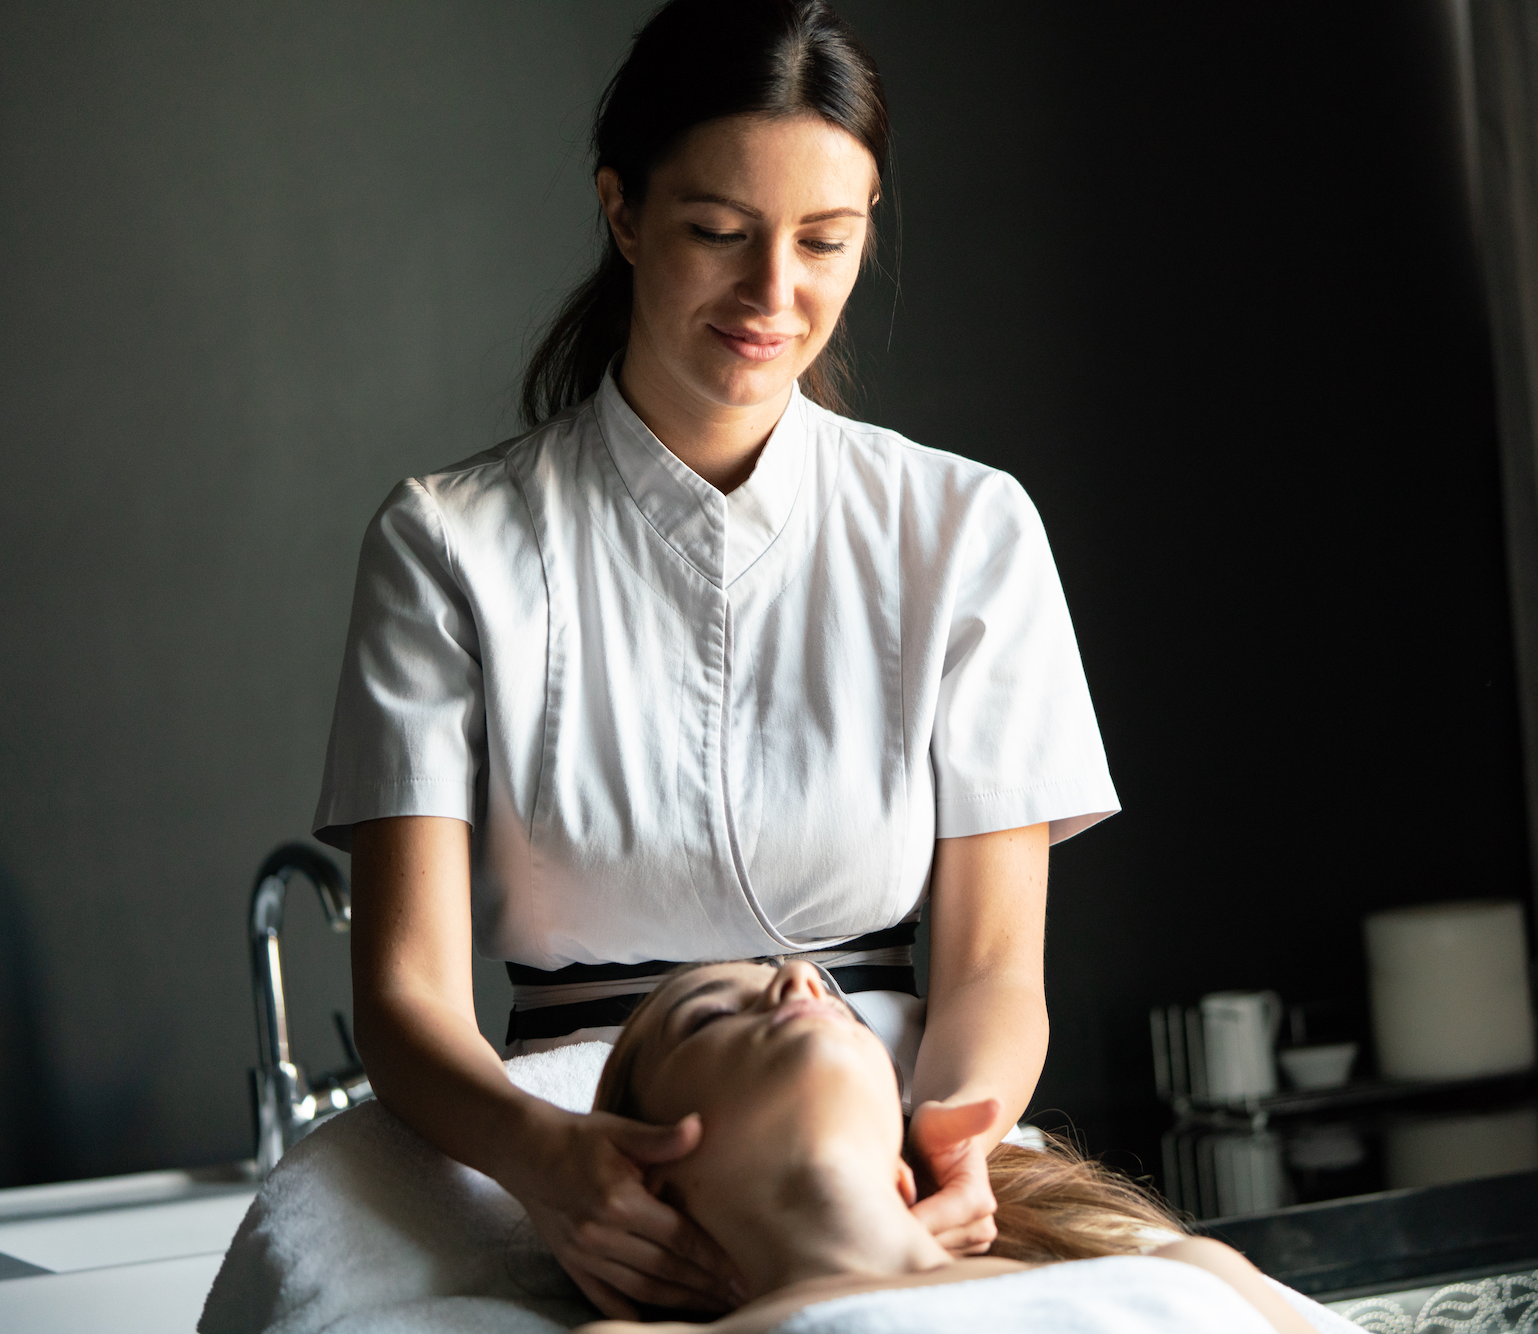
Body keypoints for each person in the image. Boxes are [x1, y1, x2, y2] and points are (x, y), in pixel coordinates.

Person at [313, 0, 1115, 1319]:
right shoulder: (446, 545)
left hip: (889, 1139)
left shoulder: (968, 530)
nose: (773, 296)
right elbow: (406, 997)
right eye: (719, 233)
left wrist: (947, 1141)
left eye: (826, 241)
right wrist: (547, 1165)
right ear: (623, 213)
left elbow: (990, 970)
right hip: (587, 1160)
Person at [573, 958, 1329, 1334]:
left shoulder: (1191, 1273)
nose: (799, 979)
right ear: (647, 1186)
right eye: (707, 1016)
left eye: (830, 997)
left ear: (906, 1169)